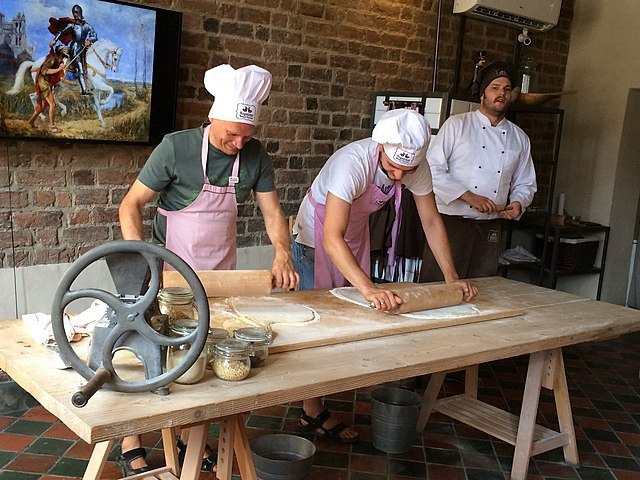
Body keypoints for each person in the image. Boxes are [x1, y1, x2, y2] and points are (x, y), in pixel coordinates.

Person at [118, 64, 298, 475]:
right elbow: (130, 205)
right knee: (151, 356)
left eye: (245, 136)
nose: (237, 143)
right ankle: (130, 439)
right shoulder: (176, 148)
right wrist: (147, 259)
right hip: (169, 274)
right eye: (230, 134)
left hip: (219, 277)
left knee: (201, 360)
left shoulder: (254, 155)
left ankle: (187, 438)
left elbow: (272, 212)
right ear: (213, 115)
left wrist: (282, 253)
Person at [291, 108, 477, 442]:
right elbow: (332, 236)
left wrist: (451, 277)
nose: (397, 178)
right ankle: (311, 411)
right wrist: (368, 287)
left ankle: (317, 404)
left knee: (349, 320)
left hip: (354, 234)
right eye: (392, 169)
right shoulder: (353, 162)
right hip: (316, 238)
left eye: (405, 172)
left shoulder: (415, 168)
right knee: (318, 325)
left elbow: (432, 221)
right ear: (380, 150)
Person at [419, 61, 537, 282]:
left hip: (491, 224)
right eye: (495, 87)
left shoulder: (519, 138)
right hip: (451, 222)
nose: (501, 93)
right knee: (439, 284)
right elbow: (432, 169)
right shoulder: (456, 125)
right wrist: (468, 196)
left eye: (507, 89)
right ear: (482, 94)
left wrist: (519, 203)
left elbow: (525, 182)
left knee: (483, 286)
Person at [48, 4, 97, 95]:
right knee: (79, 67)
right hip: (74, 47)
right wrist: (55, 40)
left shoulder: (87, 26)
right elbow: (61, 31)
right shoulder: (72, 25)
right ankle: (84, 90)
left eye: (75, 12)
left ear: (79, 13)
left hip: (84, 48)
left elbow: (94, 35)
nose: (74, 15)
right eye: (73, 13)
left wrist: (89, 40)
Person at [27, 45, 68, 133]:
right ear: (60, 51)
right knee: (52, 104)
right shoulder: (53, 60)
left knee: (43, 105)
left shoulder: (59, 61)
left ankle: (31, 121)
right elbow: (44, 71)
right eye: (64, 50)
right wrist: (58, 69)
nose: (66, 51)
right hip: (43, 83)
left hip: (47, 82)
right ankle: (52, 127)